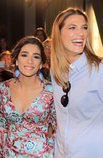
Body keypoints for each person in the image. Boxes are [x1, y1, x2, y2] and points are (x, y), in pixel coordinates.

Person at [50, 7, 103, 158]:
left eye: (84, 28)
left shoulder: (99, 71)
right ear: (58, 34)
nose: (81, 33)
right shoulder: (55, 73)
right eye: (72, 28)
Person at [0, 36, 56, 157]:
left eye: (36, 56)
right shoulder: (3, 89)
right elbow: (1, 127)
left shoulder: (51, 91)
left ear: (41, 64)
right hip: (9, 154)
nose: (30, 61)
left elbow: (58, 128)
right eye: (24, 55)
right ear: (16, 60)